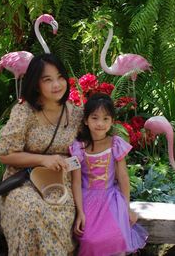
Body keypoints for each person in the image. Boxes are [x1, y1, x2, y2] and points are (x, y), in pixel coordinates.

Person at [0, 53, 84, 255]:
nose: (57, 84)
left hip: (61, 183)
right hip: (24, 181)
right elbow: (5, 155)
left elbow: (91, 149)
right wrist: (44, 160)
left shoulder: (77, 114)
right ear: (36, 84)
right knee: (29, 211)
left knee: (53, 216)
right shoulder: (24, 112)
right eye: (48, 79)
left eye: (60, 77)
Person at [69, 93, 148, 256]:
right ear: (86, 120)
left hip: (111, 198)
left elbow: (123, 178)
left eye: (106, 118)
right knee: (89, 238)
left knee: (116, 234)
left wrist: (127, 208)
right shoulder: (79, 147)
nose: (100, 123)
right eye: (95, 118)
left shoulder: (115, 144)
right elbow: (75, 182)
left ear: (112, 121)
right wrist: (80, 212)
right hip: (87, 198)